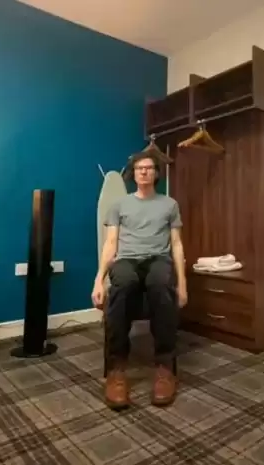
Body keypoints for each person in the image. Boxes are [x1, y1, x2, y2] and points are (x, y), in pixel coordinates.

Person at [92, 151, 187, 410]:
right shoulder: (119, 205)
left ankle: (165, 368)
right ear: (133, 174)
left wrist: (183, 285)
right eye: (139, 168)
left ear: (156, 173)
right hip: (127, 260)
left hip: (158, 259)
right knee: (123, 284)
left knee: (160, 282)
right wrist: (98, 280)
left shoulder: (170, 204)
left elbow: (177, 244)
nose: (143, 172)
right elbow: (111, 244)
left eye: (148, 168)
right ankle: (116, 370)